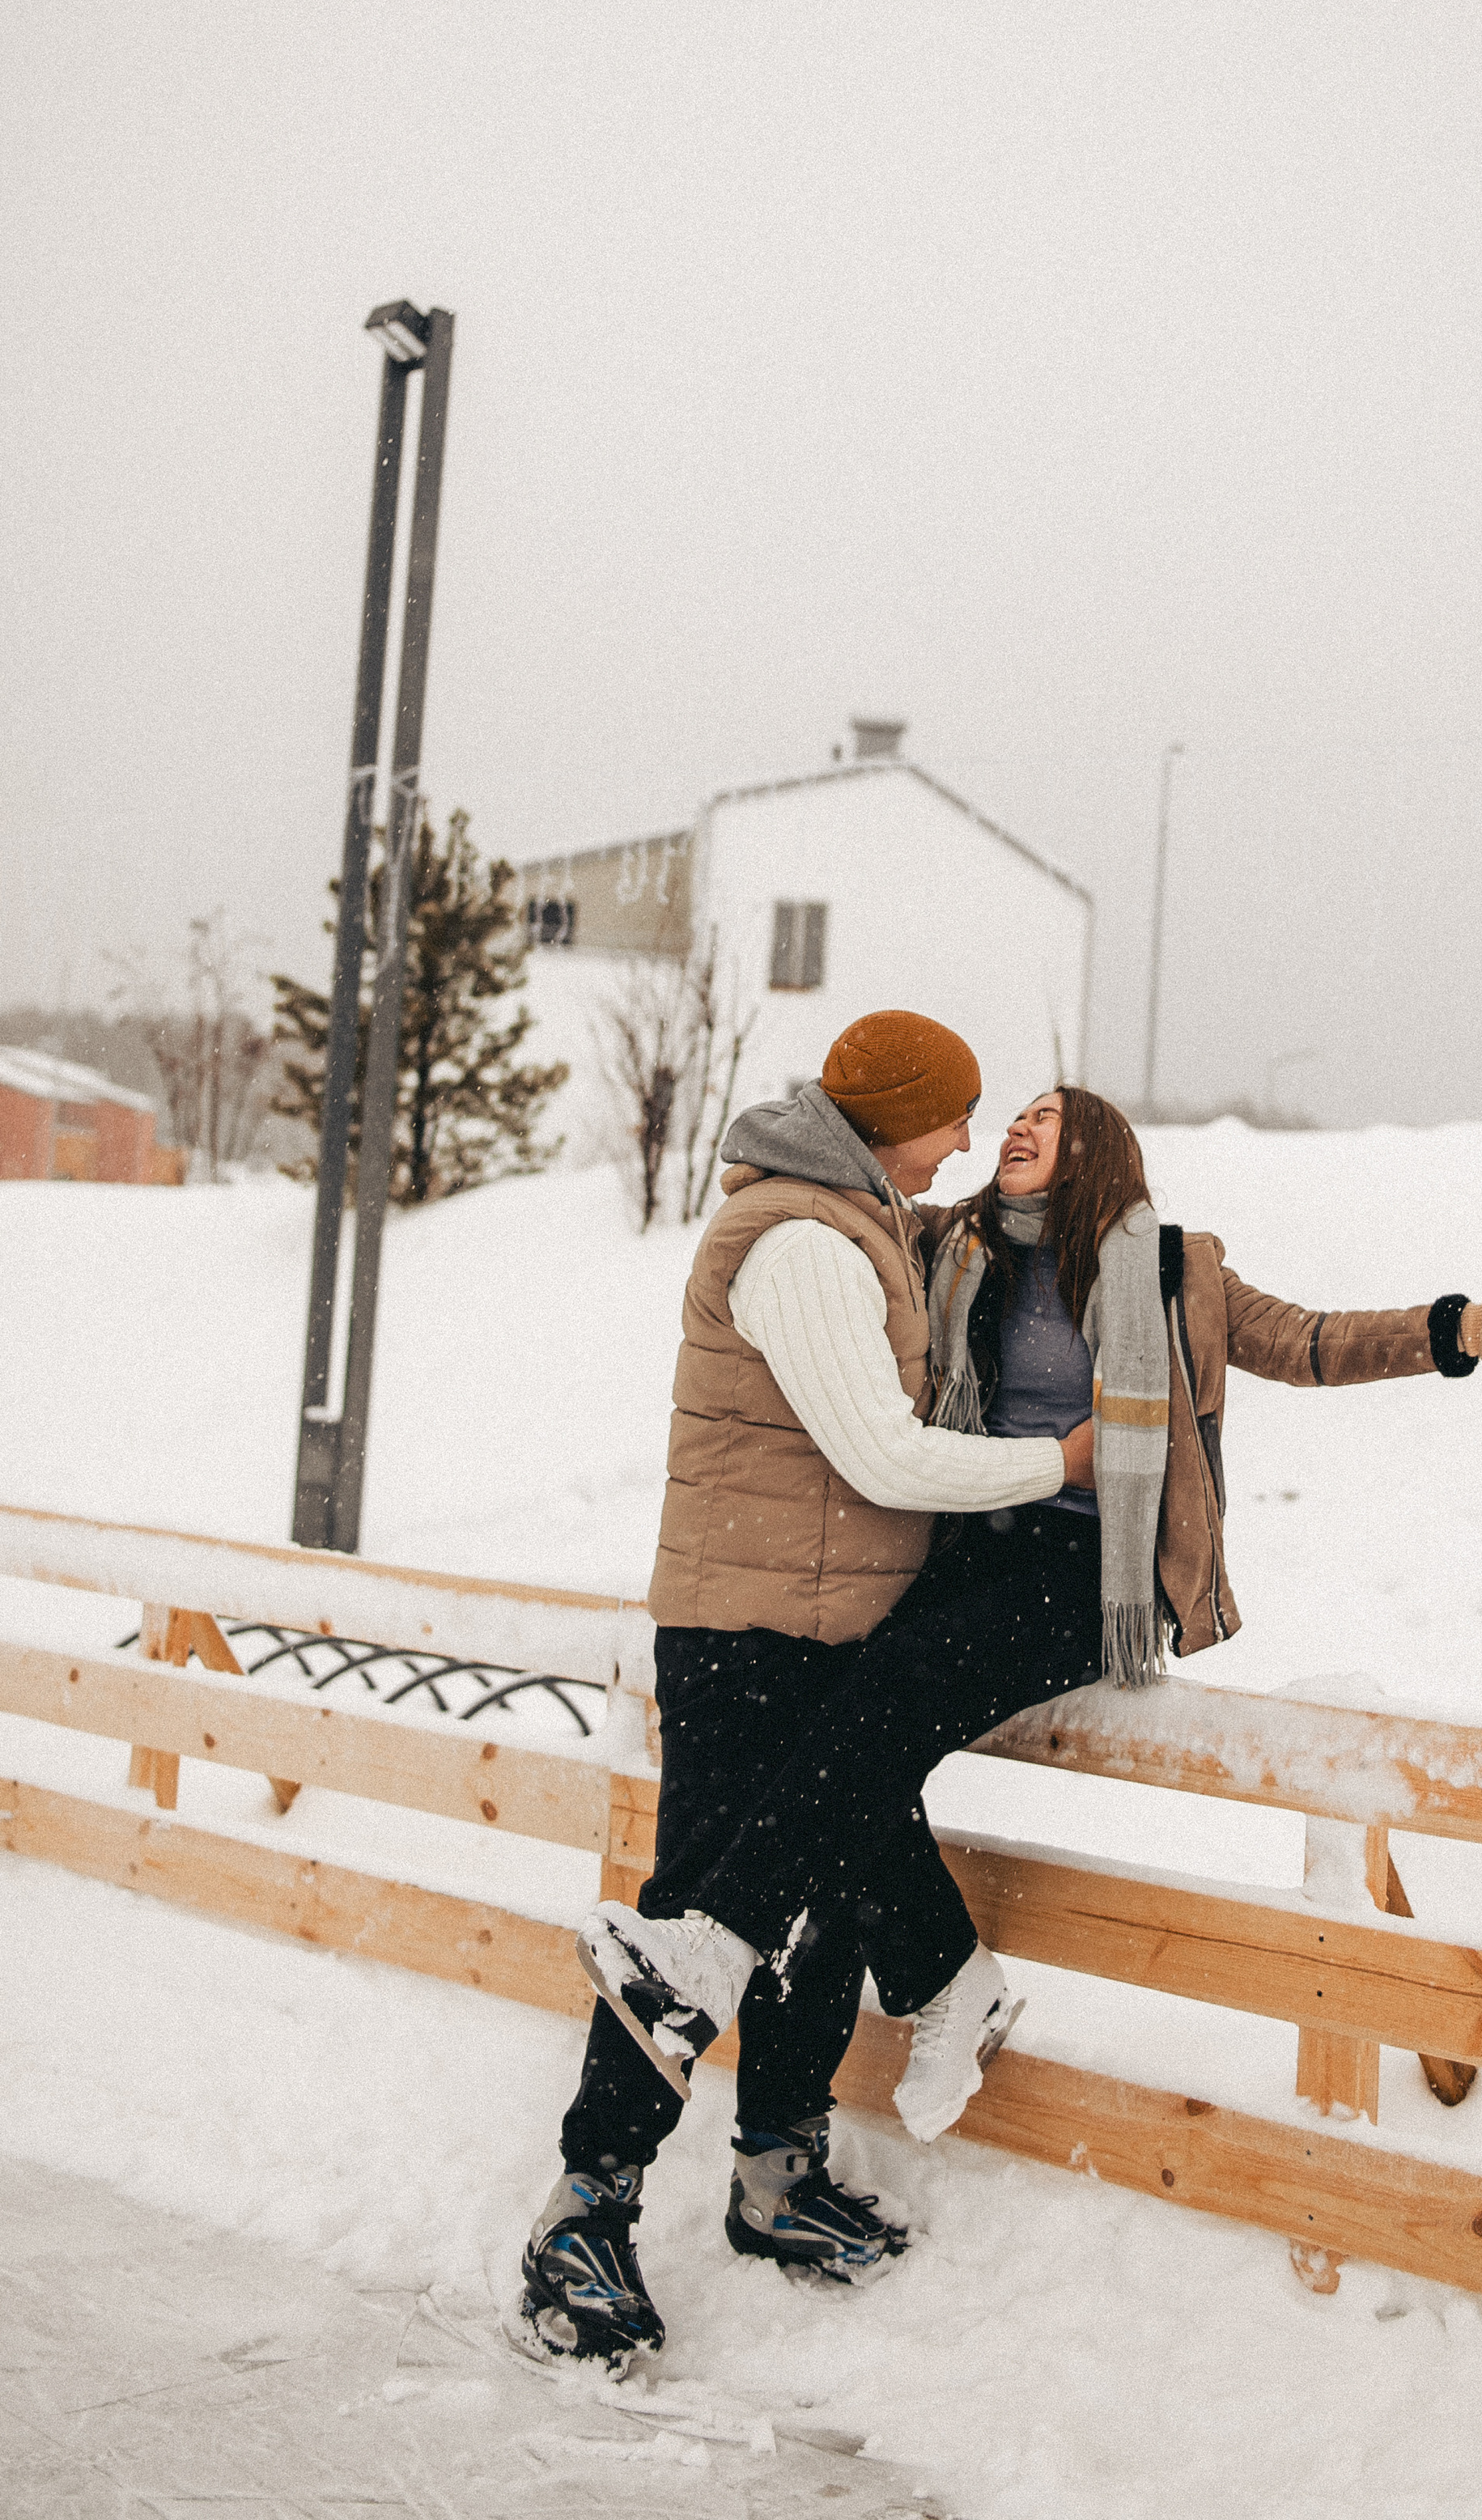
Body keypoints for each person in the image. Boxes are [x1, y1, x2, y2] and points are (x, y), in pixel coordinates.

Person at [572, 1083, 1482, 2293]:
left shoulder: (1177, 1270)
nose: (1012, 1129)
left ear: (1095, 1149)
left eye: (1043, 1118)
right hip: (976, 1536)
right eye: (1010, 1118)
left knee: (878, 1706)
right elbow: (855, 1204)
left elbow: (1312, 1343)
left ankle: (724, 1953)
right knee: (855, 1738)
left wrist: (1465, 1327)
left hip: (1096, 1569)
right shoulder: (949, 1245)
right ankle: (941, 1987)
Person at [520, 1010, 1092, 2368]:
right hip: (746, 1628)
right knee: (703, 1911)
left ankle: (778, 2172)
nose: (964, 1140)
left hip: (825, 1626)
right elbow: (885, 1460)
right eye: (953, 1115)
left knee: (815, 1908)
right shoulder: (800, 1246)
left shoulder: (864, 1219)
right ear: (897, 1116)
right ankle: (580, 2218)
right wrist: (1056, 1469)